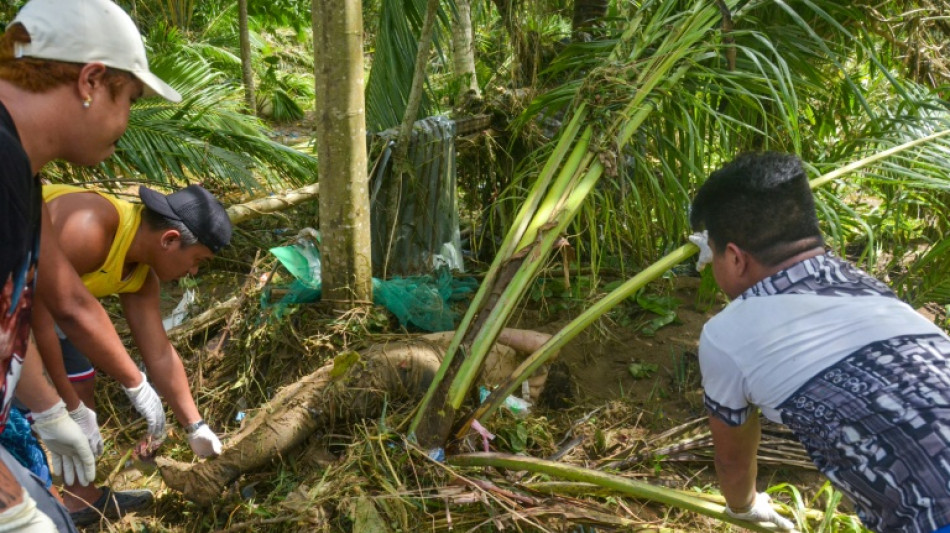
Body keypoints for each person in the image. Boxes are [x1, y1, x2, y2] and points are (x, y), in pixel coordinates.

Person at [689, 152, 950, 533]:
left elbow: (732, 462)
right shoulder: (870, 289)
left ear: (734, 257)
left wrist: (744, 508)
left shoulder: (725, 336)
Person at [0, 0, 182, 529]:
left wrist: (51, 408)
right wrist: (11, 510)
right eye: (128, 99)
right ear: (90, 80)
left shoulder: (22, 169)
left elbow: (38, 309)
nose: (125, 121)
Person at [158, 328, 554, 505]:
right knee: (306, 400)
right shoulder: (522, 402)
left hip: (420, 364)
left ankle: (210, 476)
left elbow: (540, 342)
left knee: (309, 407)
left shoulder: (536, 363)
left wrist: (498, 331)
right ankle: (224, 457)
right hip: (429, 376)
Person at [31, 183, 231, 525]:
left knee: (82, 379)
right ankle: (37, 512)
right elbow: (37, 315)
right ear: (169, 240)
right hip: (20, 299)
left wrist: (193, 424)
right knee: (22, 414)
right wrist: (62, 408)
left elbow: (159, 352)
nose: (194, 272)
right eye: (197, 261)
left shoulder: (140, 275)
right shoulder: (89, 228)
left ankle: (82, 500)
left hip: (51, 305)